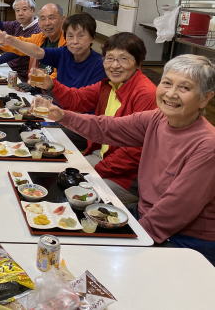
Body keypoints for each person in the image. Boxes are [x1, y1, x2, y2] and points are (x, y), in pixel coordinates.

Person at [36, 54, 215, 264]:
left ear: (205, 98)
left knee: (97, 259)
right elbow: (106, 127)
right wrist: (62, 115)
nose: (171, 93)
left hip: (185, 238)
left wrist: (132, 240)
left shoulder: (207, 145)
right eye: (167, 83)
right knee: (65, 228)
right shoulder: (157, 118)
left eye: (184, 88)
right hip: (145, 214)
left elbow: (177, 208)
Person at [38, 32, 157, 204]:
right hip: (101, 158)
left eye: (123, 59)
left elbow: (135, 152)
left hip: (126, 178)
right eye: (110, 58)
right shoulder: (109, 85)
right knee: (55, 175)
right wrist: (51, 84)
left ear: (138, 63)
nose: (115, 65)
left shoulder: (145, 93)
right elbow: (77, 99)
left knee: (73, 196)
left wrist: (92, 170)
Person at [0, 12, 106, 88]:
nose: (75, 41)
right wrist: (10, 40)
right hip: (55, 105)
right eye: (70, 36)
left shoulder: (100, 64)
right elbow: (38, 51)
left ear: (92, 38)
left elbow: (83, 98)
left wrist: (50, 85)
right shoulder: (64, 52)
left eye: (81, 36)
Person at [0, 3, 65, 79]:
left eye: (51, 18)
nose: (47, 23)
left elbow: (59, 77)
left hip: (31, 78)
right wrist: (6, 40)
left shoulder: (67, 43)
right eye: (43, 19)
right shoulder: (39, 36)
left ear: (63, 19)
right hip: (34, 83)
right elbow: (21, 44)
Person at [0, 0, 40, 81]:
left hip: (23, 75)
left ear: (32, 10)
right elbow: (2, 26)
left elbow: (18, 50)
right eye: (17, 10)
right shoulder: (18, 24)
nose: (20, 13)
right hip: (10, 67)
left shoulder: (38, 29)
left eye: (24, 9)